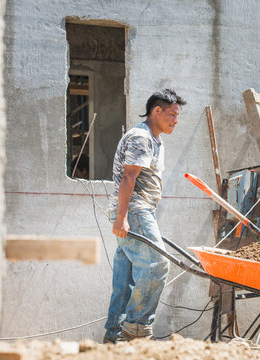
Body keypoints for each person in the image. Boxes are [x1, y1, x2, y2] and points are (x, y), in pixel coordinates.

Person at [103, 89, 186, 343]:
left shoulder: (154, 139)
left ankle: (114, 336)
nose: (176, 120)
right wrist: (122, 216)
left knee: (126, 275)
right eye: (172, 114)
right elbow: (129, 176)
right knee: (157, 264)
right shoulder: (141, 137)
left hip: (137, 210)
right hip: (134, 209)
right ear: (156, 111)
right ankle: (136, 329)